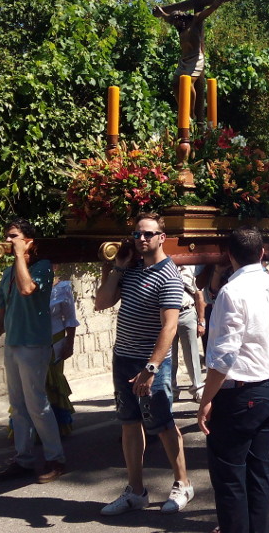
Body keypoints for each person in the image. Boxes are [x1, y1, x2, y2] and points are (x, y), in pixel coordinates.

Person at [95, 213, 192, 516]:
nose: (142, 239)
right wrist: (117, 268)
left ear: (162, 237)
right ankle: (136, 491)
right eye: (138, 234)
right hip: (123, 358)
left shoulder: (169, 275)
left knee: (162, 424)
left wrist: (150, 368)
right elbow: (102, 302)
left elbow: (170, 327)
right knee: (129, 423)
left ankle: (183, 484)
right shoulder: (131, 270)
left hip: (151, 364)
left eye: (149, 234)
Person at [197, 227, 269, 533]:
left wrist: (206, 399)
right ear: (262, 253)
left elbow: (224, 357)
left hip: (244, 393)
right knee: (257, 468)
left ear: (229, 256)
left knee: (229, 475)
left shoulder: (231, 292)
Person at [0, 218, 66, 484]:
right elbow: (0, 315)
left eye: (13, 236)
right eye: (7, 236)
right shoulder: (7, 273)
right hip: (14, 344)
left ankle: (55, 459)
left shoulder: (42, 268)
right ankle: (23, 459)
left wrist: (20, 256)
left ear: (29, 241)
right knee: (17, 407)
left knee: (37, 404)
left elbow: (27, 288)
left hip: (34, 345)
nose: (8, 241)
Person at [153, 0, 227, 123]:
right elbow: (166, 18)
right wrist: (161, 12)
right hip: (184, 60)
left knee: (188, 83)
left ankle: (191, 114)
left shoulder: (195, 21)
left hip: (195, 59)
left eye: (177, 19)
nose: (176, 22)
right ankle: (183, 108)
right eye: (174, 21)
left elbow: (212, 8)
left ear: (183, 17)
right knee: (175, 84)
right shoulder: (179, 26)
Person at [47, 275, 79, 436]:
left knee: (54, 383)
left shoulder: (63, 288)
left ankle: (58, 427)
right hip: (34, 342)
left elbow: (70, 319)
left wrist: (70, 344)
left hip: (56, 342)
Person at [172, 265, 207, 402]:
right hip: (168, 313)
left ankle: (198, 388)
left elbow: (199, 295)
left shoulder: (191, 268)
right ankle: (172, 390)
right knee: (170, 355)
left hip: (187, 311)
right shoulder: (163, 267)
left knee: (192, 354)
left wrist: (201, 321)